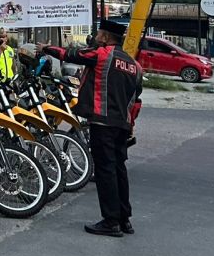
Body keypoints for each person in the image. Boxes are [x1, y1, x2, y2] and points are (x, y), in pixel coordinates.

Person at [41, 19, 142, 237]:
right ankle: (125, 219)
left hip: (102, 122)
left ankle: (111, 221)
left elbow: (71, 55)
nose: (95, 38)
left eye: (98, 35)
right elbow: (137, 100)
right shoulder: (134, 65)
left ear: (105, 37)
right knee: (118, 169)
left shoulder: (103, 54)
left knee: (105, 171)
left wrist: (45, 48)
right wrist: (130, 125)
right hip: (122, 124)